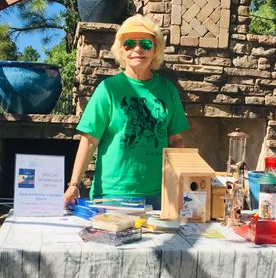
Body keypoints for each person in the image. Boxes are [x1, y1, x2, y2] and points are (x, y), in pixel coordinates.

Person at [64, 14, 190, 209]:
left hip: (157, 196)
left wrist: (178, 185)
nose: (137, 49)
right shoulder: (108, 89)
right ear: (121, 52)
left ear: (155, 50)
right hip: (112, 196)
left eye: (146, 44)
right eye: (129, 44)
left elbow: (176, 141)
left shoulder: (168, 90)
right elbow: (89, 139)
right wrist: (74, 184)